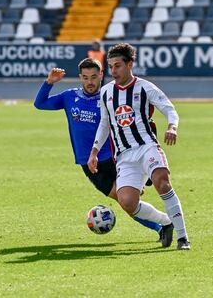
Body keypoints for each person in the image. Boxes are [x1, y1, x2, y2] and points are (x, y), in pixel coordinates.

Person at [34, 58, 172, 243]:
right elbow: (40, 103)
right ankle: (162, 226)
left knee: (127, 200)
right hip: (88, 162)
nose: (89, 82)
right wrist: (49, 82)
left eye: (93, 77)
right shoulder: (69, 97)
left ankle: (148, 190)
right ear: (80, 78)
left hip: (114, 157)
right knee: (125, 203)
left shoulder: (109, 96)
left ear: (101, 75)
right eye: (85, 78)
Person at [87, 43, 190, 250]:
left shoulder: (145, 87)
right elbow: (104, 123)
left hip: (147, 147)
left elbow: (169, 109)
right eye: (111, 66)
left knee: (162, 183)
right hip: (125, 156)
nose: (113, 71)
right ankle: (166, 221)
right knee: (127, 203)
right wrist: (95, 151)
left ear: (130, 64)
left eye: (118, 66)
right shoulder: (106, 92)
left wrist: (172, 127)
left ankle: (183, 237)